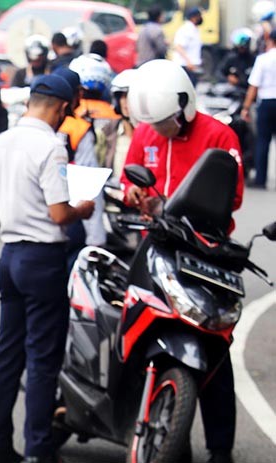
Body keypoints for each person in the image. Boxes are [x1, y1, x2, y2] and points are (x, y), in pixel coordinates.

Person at [122, 59, 244, 463]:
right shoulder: (145, 130)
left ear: (185, 106)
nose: (157, 132)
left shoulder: (219, 136)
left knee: (213, 347)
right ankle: (148, 425)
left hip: (205, 253)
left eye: (164, 124)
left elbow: (234, 195)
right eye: (152, 125)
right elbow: (128, 178)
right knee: (137, 334)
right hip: (155, 248)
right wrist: (134, 195)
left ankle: (220, 447)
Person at [0, 74, 95, 463]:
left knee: (7, 356)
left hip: (9, 257)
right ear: (62, 108)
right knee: (43, 360)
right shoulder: (52, 148)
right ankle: (38, 451)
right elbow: (59, 212)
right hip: (43, 260)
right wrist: (84, 207)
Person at [54, 66, 106, 259]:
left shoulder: (30, 126)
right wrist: (96, 237)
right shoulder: (79, 129)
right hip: (71, 216)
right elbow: (89, 185)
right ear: (77, 94)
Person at [242, 29, 276, 189]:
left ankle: (260, 180)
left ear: (270, 40)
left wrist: (246, 107)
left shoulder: (263, 59)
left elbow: (254, 86)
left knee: (263, 141)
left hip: (267, 104)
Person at [103, 69, 137, 180]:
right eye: (121, 96)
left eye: (129, 95)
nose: (125, 101)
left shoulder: (150, 134)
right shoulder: (108, 132)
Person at [173, 6, 204, 85]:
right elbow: (178, 47)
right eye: (199, 16)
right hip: (186, 66)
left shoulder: (194, 29)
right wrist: (188, 62)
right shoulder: (186, 29)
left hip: (191, 66)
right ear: (194, 18)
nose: (201, 18)